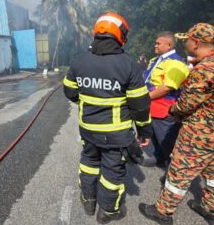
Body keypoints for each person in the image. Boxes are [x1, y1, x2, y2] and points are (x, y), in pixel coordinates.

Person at [139, 23, 214, 225]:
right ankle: (211, 209)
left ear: (197, 42)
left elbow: (186, 103)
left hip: (200, 133)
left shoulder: (204, 69)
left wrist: (174, 111)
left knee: (179, 171)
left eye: (188, 41)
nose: (186, 44)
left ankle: (163, 212)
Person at [63, 12, 151, 224]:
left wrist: (89, 101)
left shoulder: (78, 61)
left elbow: (69, 91)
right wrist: (144, 131)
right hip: (115, 135)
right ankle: (108, 212)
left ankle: (88, 201)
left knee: (89, 162)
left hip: (88, 129)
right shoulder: (128, 65)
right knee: (112, 172)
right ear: (120, 35)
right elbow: (139, 106)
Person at [143, 32, 189, 168]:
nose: (155, 45)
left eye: (158, 43)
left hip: (164, 107)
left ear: (169, 45)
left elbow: (167, 87)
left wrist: (144, 98)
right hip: (151, 106)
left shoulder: (176, 62)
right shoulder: (155, 60)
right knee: (154, 136)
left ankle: (173, 169)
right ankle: (159, 157)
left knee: (167, 140)